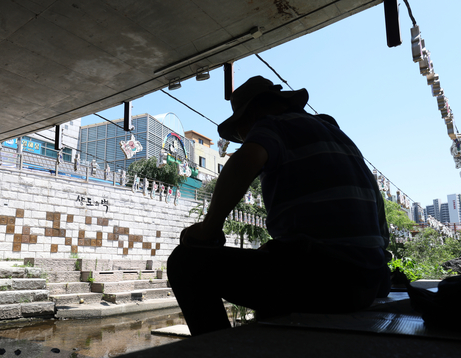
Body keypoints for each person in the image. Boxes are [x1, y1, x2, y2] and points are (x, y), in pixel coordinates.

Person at [167, 76, 391, 337]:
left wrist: (210, 227)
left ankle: (217, 352)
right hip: (370, 279)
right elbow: (377, 213)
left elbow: (244, 161)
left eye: (241, 131)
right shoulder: (340, 138)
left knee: (185, 264)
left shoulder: (272, 124)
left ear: (253, 114)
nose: (244, 137)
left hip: (329, 279)